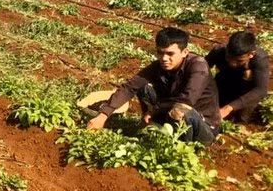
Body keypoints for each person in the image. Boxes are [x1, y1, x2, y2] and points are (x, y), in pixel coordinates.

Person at [87, 27, 221, 146]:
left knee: (182, 110)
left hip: (203, 126)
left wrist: (153, 110)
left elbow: (186, 100)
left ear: (185, 52)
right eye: (160, 53)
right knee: (144, 88)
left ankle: (183, 149)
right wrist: (103, 115)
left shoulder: (198, 66)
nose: (164, 58)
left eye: (170, 53)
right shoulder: (159, 65)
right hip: (171, 113)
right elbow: (130, 87)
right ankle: (152, 127)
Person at [206, 31, 269, 123]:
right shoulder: (219, 51)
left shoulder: (259, 60)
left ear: (251, 54)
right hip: (224, 80)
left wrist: (230, 107)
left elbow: (260, 90)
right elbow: (200, 70)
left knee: (239, 121)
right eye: (228, 58)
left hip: (245, 90)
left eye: (239, 61)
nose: (232, 63)